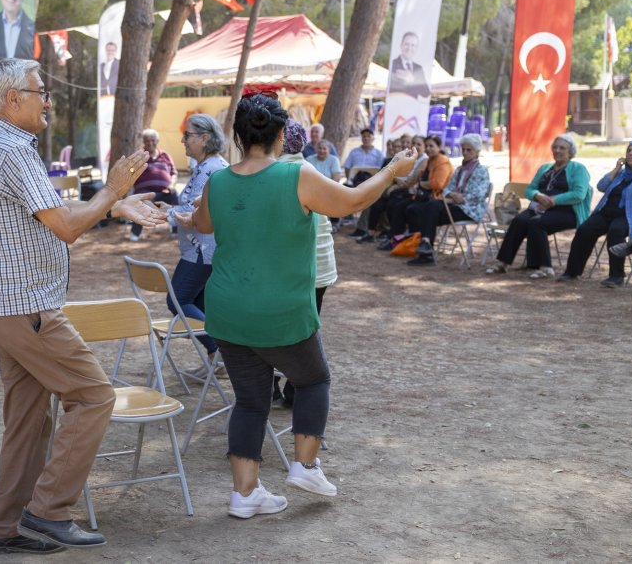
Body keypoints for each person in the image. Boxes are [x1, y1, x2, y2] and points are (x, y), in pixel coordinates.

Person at [0, 58, 165, 554]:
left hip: (5, 310)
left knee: (29, 423)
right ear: (13, 99)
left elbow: (55, 213)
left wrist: (114, 205)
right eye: (41, 92)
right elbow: (68, 227)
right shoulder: (11, 151)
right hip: (24, 310)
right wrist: (114, 189)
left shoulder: (0, 147)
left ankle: (3, 526)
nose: (48, 101)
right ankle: (46, 511)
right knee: (94, 397)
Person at [192, 93, 417, 520]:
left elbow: (203, 223)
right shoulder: (297, 174)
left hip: (227, 311)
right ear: (281, 134)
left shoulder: (217, 180)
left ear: (238, 135)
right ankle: (305, 465)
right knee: (313, 380)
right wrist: (392, 171)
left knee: (251, 401)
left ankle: (245, 494)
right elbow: (351, 201)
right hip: (280, 311)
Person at [275, 117, 337, 405]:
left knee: (278, 329)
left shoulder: (280, 173)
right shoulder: (307, 168)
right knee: (307, 328)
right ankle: (293, 389)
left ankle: (278, 385)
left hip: (297, 268)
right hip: (320, 267)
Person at [166, 114, 229, 368]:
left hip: (203, 251)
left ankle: (220, 352)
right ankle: (217, 359)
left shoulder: (213, 169)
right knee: (201, 306)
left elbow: (197, 214)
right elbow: (189, 205)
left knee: (178, 300)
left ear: (205, 138)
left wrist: (161, 214)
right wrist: (166, 209)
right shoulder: (204, 167)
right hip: (199, 249)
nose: (183, 141)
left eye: (188, 135)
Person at [486, 135, 591, 279]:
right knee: (519, 221)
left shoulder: (578, 168)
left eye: (562, 148)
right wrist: (537, 195)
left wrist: (554, 200)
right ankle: (503, 263)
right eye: (555, 147)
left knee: (537, 223)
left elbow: (579, 194)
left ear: (570, 151)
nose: (557, 150)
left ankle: (546, 267)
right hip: (540, 207)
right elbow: (530, 189)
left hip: (567, 211)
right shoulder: (545, 168)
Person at [558, 140, 632, 285]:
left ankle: (616, 276)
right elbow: (601, 186)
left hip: (630, 217)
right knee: (584, 230)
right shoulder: (621, 174)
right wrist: (616, 168)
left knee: (615, 231)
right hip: (606, 213)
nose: (631, 153)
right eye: (629, 150)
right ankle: (572, 271)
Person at [406, 134, 491, 266]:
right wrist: (453, 196)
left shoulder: (482, 171)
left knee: (429, 209)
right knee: (426, 210)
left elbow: (478, 195)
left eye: (469, 150)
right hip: (453, 205)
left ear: (477, 151)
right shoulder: (459, 169)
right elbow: (446, 189)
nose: (465, 153)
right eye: (463, 149)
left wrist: (457, 198)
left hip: (470, 210)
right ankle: (425, 247)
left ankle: (426, 250)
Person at [377, 135, 451, 251]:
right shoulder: (429, 161)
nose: (428, 148)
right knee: (398, 205)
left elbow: (437, 184)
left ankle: (415, 242)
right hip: (421, 195)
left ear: (439, 147)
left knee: (411, 208)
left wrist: (421, 183)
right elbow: (415, 179)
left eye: (431, 146)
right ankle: (394, 239)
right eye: (427, 146)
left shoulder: (442, 162)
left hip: (434, 198)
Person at [128, 128, 178, 241]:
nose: (150, 143)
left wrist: (172, 186)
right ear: (143, 142)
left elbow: (174, 173)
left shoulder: (165, 155)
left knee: (175, 197)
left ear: (157, 140)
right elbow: (130, 172)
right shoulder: (139, 156)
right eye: (147, 140)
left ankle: (175, 230)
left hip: (164, 191)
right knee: (139, 201)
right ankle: (135, 233)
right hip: (144, 192)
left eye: (153, 140)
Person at [388, 31, 431, 99]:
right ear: (401, 45)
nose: (409, 48)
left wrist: (413, 80)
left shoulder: (418, 68)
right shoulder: (392, 64)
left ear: (416, 48)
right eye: (406, 44)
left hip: (412, 107)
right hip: (395, 107)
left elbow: (426, 93)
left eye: (413, 45)